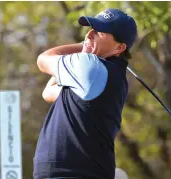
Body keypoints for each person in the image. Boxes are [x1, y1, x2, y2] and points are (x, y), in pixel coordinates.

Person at [34, 8, 137, 179]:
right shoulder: (100, 75)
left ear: (119, 47)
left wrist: (82, 47)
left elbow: (43, 59)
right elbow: (48, 92)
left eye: (99, 32)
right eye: (91, 29)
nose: (89, 34)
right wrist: (87, 48)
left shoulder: (91, 67)